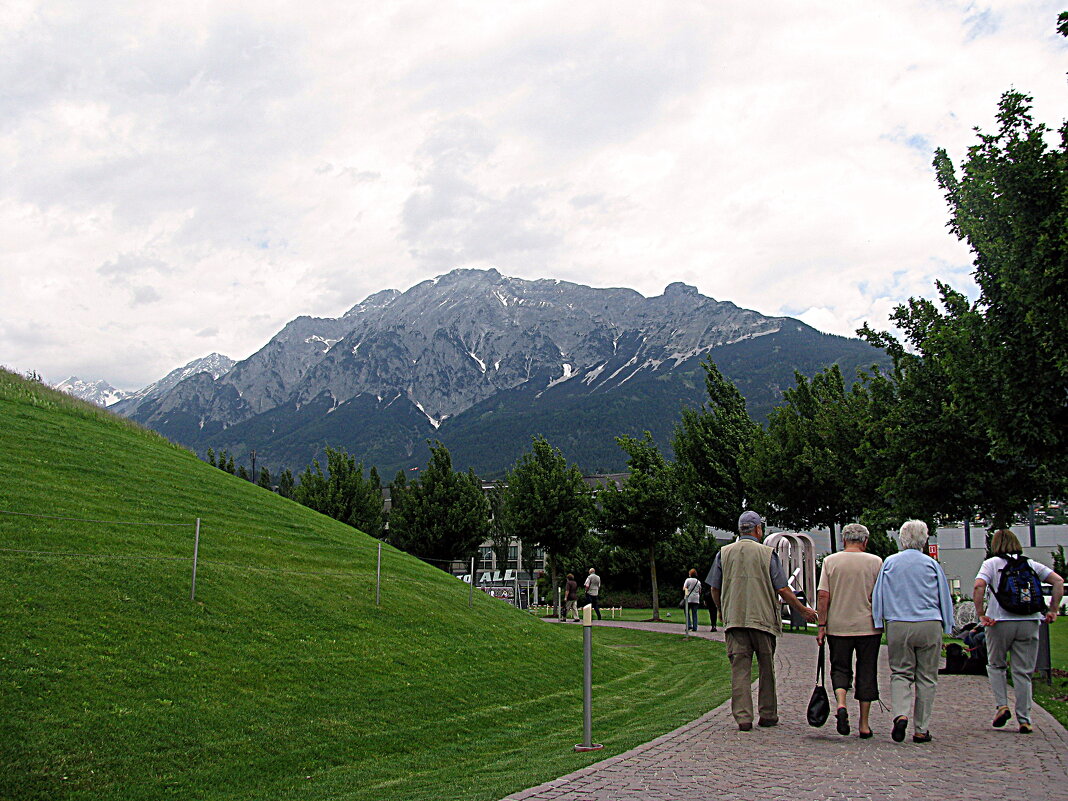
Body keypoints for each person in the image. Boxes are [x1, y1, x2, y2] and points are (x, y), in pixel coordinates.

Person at [708, 511, 818, 731]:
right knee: (767, 668)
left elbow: (714, 588)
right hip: (763, 620)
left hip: (735, 620)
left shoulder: (724, 553)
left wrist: (722, 610)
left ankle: (743, 716)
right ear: (758, 529)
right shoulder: (768, 554)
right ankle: (767, 713)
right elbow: (783, 588)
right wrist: (802, 609)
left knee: (740, 668)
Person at [973, 529, 1064, 734]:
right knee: (1023, 672)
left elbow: (979, 586)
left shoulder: (992, 564)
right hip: (1030, 621)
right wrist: (1053, 610)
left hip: (999, 621)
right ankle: (1025, 718)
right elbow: (1058, 581)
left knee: (996, 665)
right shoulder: (1030, 564)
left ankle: (1002, 706)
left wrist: (981, 613)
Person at [871, 520, 954, 744]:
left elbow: (879, 593)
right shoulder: (931, 564)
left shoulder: (890, 563)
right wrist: (948, 623)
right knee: (927, 677)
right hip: (929, 622)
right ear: (924, 539)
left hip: (898, 622)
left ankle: (901, 714)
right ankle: (921, 728)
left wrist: (879, 620)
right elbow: (943, 594)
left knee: (900, 672)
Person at [815, 523, 883, 739]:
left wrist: (821, 625)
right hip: (868, 626)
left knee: (840, 667)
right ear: (865, 541)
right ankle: (864, 724)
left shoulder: (830, 561)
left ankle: (841, 704)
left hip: (838, 625)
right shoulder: (875, 562)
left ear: (844, 540)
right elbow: (880, 595)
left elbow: (824, 595)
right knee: (867, 670)